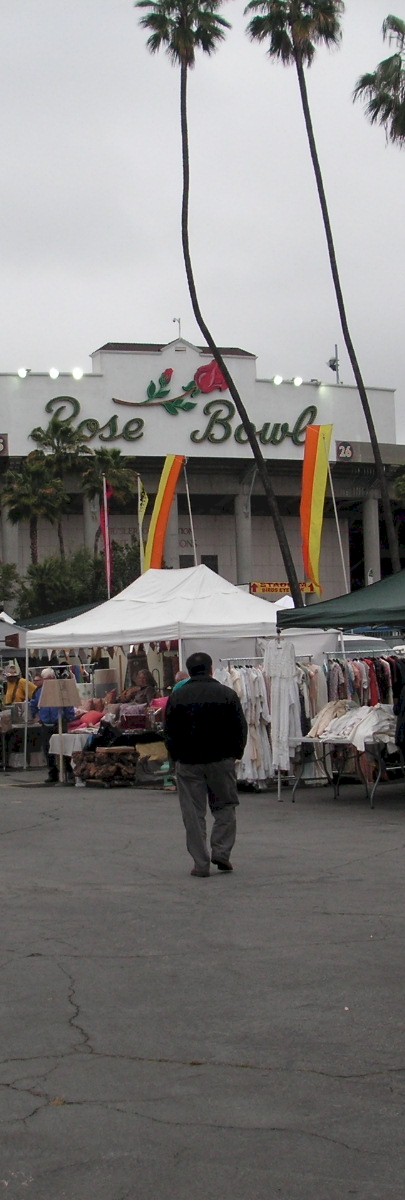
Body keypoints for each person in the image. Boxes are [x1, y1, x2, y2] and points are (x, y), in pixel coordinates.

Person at [164, 651, 247, 878]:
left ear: (189, 672)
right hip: (221, 760)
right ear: (211, 670)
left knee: (193, 813)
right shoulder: (227, 694)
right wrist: (235, 753)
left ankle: (200, 863)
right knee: (225, 807)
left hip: (189, 762)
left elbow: (169, 730)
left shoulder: (177, 697)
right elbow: (240, 727)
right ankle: (222, 852)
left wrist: (175, 756)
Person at [33, 668, 77, 784]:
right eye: (44, 679)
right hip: (46, 723)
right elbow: (34, 704)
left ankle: (69, 771)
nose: (46, 681)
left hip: (59, 722)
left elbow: (68, 704)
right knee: (48, 749)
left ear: (53, 678)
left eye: (48, 679)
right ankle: (53, 773)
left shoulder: (61, 690)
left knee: (64, 748)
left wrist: (69, 717)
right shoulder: (39, 691)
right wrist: (35, 715)